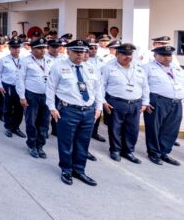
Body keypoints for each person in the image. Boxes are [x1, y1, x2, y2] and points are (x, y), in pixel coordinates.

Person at [47, 40, 103, 186]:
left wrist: (99, 108)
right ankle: (66, 169)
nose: (80, 55)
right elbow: (50, 88)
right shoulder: (58, 67)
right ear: (68, 52)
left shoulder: (91, 68)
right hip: (68, 110)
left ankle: (79, 170)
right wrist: (52, 108)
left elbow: (98, 89)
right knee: (66, 142)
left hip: (88, 111)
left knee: (83, 142)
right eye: (76, 52)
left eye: (83, 52)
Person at [100, 43, 149, 163]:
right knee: (115, 128)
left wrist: (145, 102)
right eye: (124, 54)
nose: (127, 57)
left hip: (135, 103)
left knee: (132, 129)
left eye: (130, 54)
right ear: (117, 55)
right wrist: (103, 101)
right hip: (116, 102)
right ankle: (115, 150)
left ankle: (128, 151)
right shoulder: (108, 68)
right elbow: (101, 86)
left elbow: (145, 86)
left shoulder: (138, 68)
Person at [142, 46, 184, 166]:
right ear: (155, 56)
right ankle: (153, 153)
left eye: (169, 55)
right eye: (164, 55)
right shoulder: (147, 68)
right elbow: (141, 85)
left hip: (176, 102)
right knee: (154, 128)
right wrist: (145, 101)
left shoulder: (177, 68)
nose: (167, 58)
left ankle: (164, 152)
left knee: (171, 129)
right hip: (157, 101)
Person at [17, 38, 50, 158]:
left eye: (44, 48)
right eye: (39, 48)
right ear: (32, 49)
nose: (42, 50)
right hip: (32, 95)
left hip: (46, 96)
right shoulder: (25, 61)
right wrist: (22, 96)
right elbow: (20, 79)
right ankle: (32, 145)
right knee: (31, 121)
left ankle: (40, 145)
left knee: (44, 122)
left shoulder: (49, 61)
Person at [0, 38, 26, 138]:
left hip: (20, 87)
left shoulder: (24, 60)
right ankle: (8, 127)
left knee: (19, 108)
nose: (16, 50)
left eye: (18, 47)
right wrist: (0, 86)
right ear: (10, 48)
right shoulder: (4, 60)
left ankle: (16, 127)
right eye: (14, 48)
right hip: (8, 86)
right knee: (8, 107)